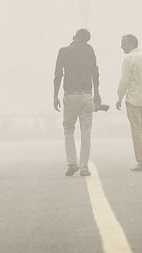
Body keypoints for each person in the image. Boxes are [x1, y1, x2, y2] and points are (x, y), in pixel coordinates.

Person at [53, 27, 100, 177]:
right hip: (87, 95)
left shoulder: (63, 51)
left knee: (68, 130)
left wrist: (55, 95)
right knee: (86, 131)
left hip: (70, 96)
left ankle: (72, 163)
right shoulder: (89, 50)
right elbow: (95, 72)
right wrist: (97, 93)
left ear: (74, 37)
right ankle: (84, 166)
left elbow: (58, 75)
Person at [115, 34, 142, 172]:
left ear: (131, 44)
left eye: (123, 43)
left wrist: (119, 97)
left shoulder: (128, 59)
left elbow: (125, 80)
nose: (121, 46)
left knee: (136, 131)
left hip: (133, 100)